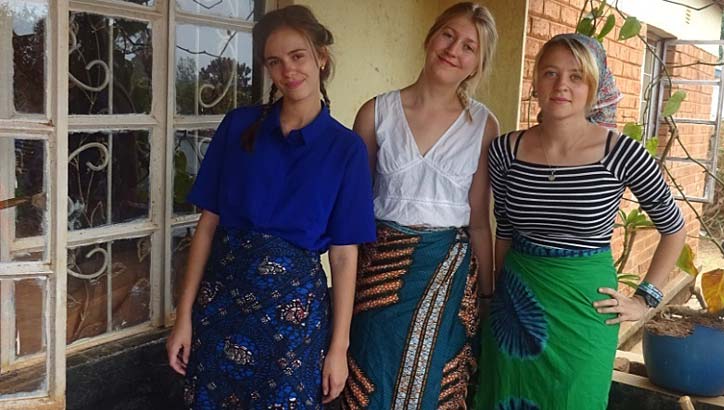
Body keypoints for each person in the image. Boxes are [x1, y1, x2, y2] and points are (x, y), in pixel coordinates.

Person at [165, 6, 376, 409]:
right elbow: (207, 226)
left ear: (321, 57)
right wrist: (184, 316)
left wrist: (338, 348)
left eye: (298, 56)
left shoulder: (345, 149)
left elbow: (345, 256)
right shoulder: (238, 126)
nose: (288, 71)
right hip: (220, 303)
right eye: (274, 61)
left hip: (294, 319)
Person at [475, 33, 687, 409]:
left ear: (594, 86)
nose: (562, 86)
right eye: (551, 73)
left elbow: (673, 227)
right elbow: (503, 230)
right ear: (536, 81)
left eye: (576, 77)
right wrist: (492, 298)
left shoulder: (622, 153)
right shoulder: (505, 151)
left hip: (586, 309)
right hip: (517, 307)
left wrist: (645, 300)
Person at [339, 3, 499, 409]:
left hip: (448, 275)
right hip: (380, 279)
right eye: (448, 35)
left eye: (469, 47)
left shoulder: (482, 125)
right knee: (369, 375)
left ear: (477, 64)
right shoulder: (376, 112)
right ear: (430, 37)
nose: (453, 50)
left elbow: (479, 221)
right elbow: (352, 214)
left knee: (435, 387)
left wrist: (486, 296)